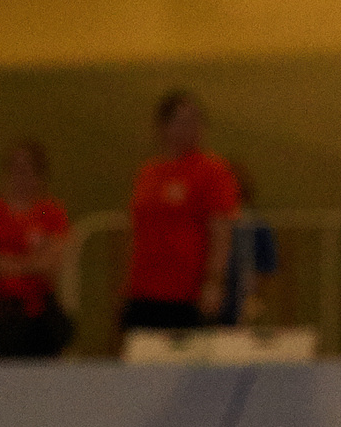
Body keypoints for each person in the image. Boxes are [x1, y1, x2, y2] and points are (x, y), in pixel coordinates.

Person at [119, 89, 240, 335]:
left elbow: (220, 232)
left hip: (186, 294)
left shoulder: (212, 171)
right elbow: (138, 231)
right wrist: (124, 286)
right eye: (182, 121)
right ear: (164, 127)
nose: (191, 128)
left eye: (196, 121)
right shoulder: (149, 173)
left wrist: (213, 283)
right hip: (144, 291)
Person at [0, 140, 74, 358]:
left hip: (40, 311)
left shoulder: (50, 212)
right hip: (0, 311)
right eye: (15, 169)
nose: (21, 177)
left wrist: (3, 261)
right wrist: (28, 263)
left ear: (39, 174)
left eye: (28, 170)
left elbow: (52, 263)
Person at [221, 165, 280, 326]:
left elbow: (266, 269)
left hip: (240, 298)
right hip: (209, 300)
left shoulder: (256, 226)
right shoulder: (202, 226)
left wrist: (255, 299)